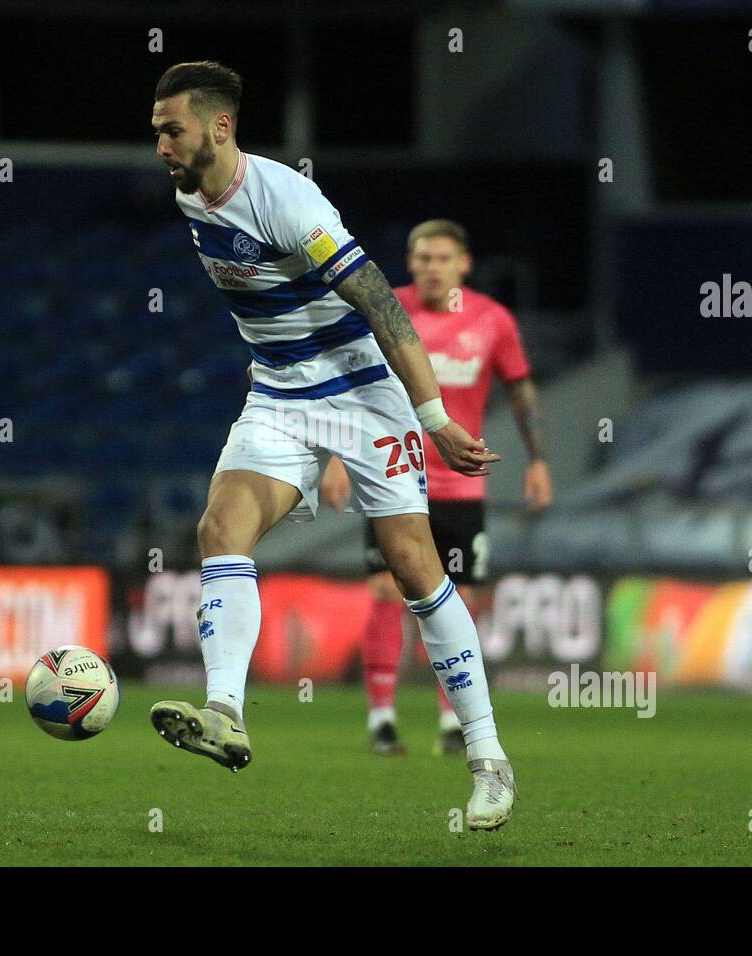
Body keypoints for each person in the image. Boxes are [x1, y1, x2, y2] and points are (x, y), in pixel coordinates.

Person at [148, 61, 516, 829]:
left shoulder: (286, 200)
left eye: (171, 129)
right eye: (156, 131)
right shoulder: (189, 191)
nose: (160, 145)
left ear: (220, 127)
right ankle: (225, 712)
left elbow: (382, 301)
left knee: (415, 567)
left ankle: (487, 758)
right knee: (220, 528)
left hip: (361, 394)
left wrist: (435, 417)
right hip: (278, 394)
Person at [320, 220, 552, 756]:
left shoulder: (493, 320)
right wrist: (332, 454)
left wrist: (538, 460)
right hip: (391, 474)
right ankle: (381, 718)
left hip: (462, 484)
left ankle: (453, 722)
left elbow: (521, 390)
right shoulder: (384, 308)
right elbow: (340, 380)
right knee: (385, 591)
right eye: (421, 257)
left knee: (460, 598)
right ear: (410, 261)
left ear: (463, 264)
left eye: (442, 258)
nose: (430, 267)